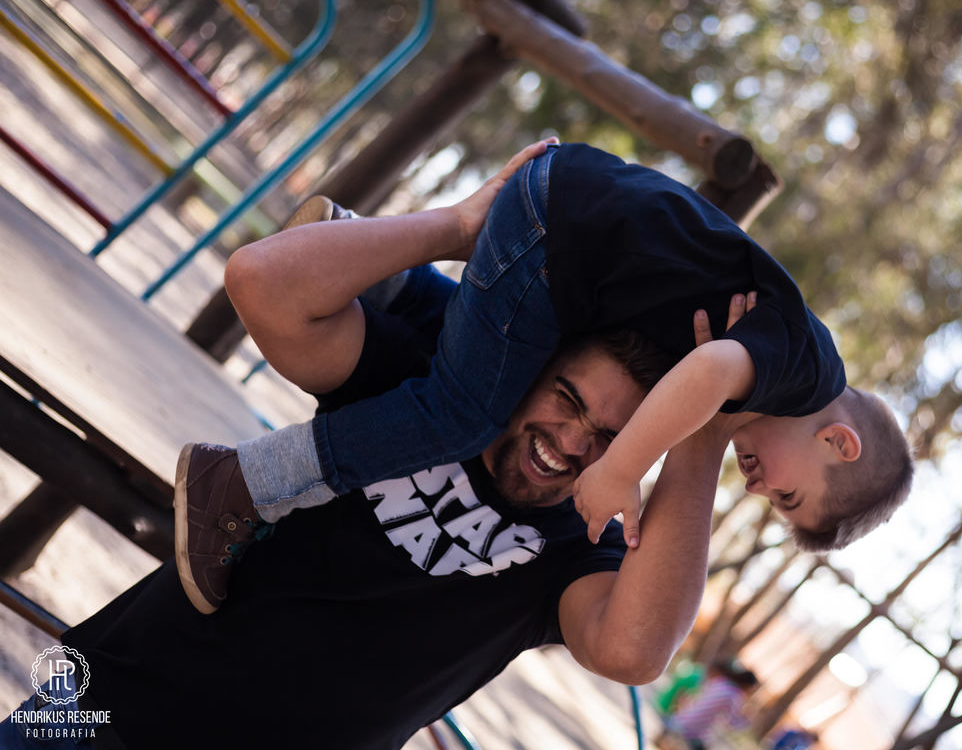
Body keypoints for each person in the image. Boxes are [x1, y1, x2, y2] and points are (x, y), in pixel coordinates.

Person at [1, 256, 751, 748]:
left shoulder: (577, 545)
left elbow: (634, 652)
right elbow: (271, 282)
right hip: (112, 703)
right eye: (566, 398)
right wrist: (458, 226)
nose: (572, 441)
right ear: (530, 369)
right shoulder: (422, 387)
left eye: (609, 436)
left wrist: (704, 426)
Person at [178, 140, 914, 614]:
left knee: (507, 361)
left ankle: (372, 270)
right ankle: (245, 482)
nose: (756, 489)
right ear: (839, 444)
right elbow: (713, 365)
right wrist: (623, 467)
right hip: (559, 238)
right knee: (465, 415)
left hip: (565, 210)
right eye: (787, 494)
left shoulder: (793, 349)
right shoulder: (808, 370)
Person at [658, 659, 758, 750]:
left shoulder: (721, 681)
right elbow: (732, 724)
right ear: (747, 686)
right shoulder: (734, 695)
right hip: (689, 732)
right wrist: (747, 718)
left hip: (678, 719)